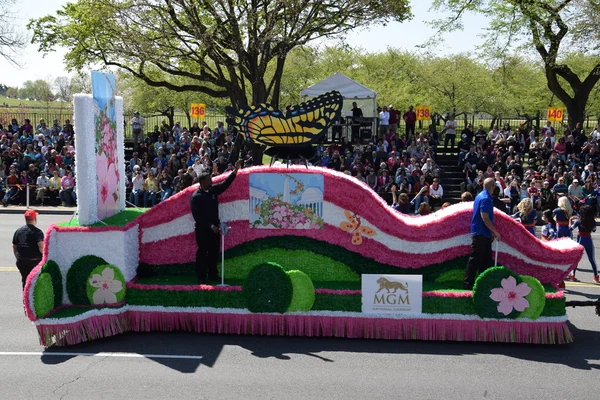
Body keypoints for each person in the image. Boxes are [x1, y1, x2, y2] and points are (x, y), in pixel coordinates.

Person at [191, 159, 243, 284]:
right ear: (203, 182)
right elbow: (197, 216)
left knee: (214, 253)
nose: (211, 181)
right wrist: (210, 226)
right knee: (202, 253)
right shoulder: (196, 197)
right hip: (203, 230)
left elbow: (225, 184)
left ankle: (213, 275)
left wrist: (235, 170)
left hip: (215, 229)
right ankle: (201, 276)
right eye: (209, 180)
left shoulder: (212, 190)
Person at [464, 178, 501, 290]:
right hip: (481, 233)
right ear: (493, 186)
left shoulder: (480, 196)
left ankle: (483, 284)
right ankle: (468, 284)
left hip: (482, 233)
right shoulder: (486, 199)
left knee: (485, 261)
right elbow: (485, 218)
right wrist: (495, 232)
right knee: (476, 260)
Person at [12, 210, 44, 289]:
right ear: (35, 219)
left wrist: (18, 257)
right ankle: (33, 300)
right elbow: (41, 247)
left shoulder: (18, 231)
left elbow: (14, 246)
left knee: (25, 281)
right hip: (34, 261)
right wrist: (44, 257)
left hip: (21, 261)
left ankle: (25, 299)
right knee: (36, 282)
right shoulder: (37, 232)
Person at [569, 205, 598, 282]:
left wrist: (570, 220)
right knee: (592, 259)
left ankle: (572, 275)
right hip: (588, 239)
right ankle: (596, 276)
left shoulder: (579, 221)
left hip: (580, 240)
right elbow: (594, 230)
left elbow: (570, 229)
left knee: (576, 259)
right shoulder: (593, 222)